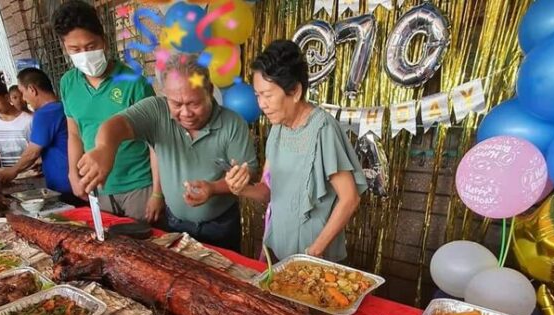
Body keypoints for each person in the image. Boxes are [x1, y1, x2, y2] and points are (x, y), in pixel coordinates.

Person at [76, 53, 258, 252]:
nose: (186, 113)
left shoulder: (232, 124)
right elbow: (116, 125)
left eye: (194, 103)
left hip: (220, 227)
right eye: (177, 104)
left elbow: (246, 174)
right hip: (175, 224)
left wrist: (213, 188)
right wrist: (105, 148)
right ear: (166, 97)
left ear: (210, 91)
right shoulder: (157, 111)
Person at [225, 40, 366, 262]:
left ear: (295, 91)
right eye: (257, 95)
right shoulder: (277, 129)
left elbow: (350, 198)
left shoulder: (323, 130)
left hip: (314, 258)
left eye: (268, 95)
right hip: (280, 252)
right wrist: (241, 189)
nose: (262, 104)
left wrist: (314, 252)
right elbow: (267, 192)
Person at [53, 0, 158, 222]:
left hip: (138, 187)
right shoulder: (68, 83)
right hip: (98, 187)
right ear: (65, 49)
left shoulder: (134, 83)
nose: (85, 54)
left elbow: (156, 142)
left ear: (104, 40)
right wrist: (73, 172)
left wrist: (158, 192)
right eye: (75, 50)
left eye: (91, 47)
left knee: (146, 249)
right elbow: (74, 132)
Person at [0, 68, 75, 203]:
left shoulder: (45, 113)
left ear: (32, 89)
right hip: (73, 178)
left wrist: (14, 170)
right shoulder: (63, 106)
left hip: (64, 182)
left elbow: (33, 152)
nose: (23, 98)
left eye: (22, 93)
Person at [0, 79, 33, 168]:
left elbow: (35, 151)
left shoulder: (28, 120)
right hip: (6, 175)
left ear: (7, 97)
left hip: (30, 172)